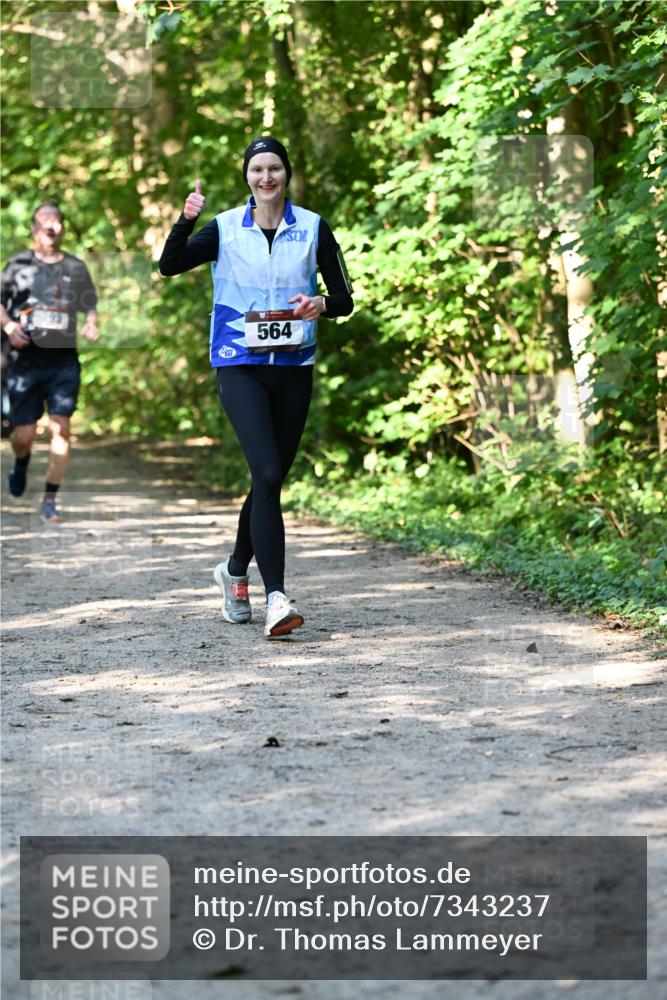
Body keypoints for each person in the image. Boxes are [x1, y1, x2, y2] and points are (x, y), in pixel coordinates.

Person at [159, 136, 353, 638]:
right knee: (266, 470)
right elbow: (170, 264)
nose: (266, 178)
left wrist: (321, 305)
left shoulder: (312, 226)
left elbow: (344, 297)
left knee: (269, 481)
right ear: (247, 176)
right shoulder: (223, 228)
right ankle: (276, 600)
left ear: (287, 174)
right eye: (257, 170)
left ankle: (233, 570)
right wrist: (185, 219)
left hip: (293, 367)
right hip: (238, 364)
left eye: (274, 169)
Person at [1, 202, 99, 521]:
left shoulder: (74, 266)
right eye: (45, 221)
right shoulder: (17, 265)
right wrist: (9, 326)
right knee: (24, 435)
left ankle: (50, 500)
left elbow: (90, 304)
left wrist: (91, 323)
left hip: (62, 361)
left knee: (62, 429)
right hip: (24, 362)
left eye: (56, 221)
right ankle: (21, 461)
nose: (51, 226)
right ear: (34, 228)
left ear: (62, 228)